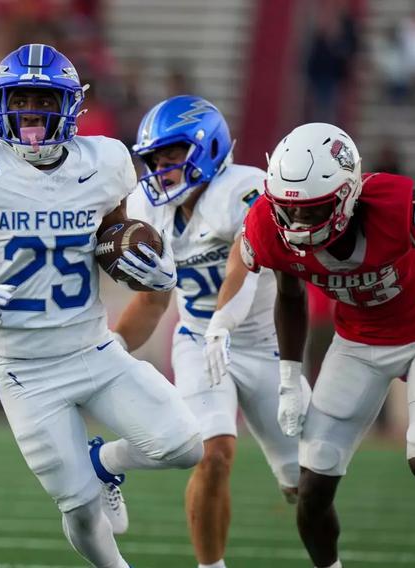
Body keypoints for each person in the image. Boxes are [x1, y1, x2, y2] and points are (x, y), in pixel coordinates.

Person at [0, 44, 204, 568]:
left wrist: (159, 270)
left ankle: (104, 460)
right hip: (24, 368)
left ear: (71, 105)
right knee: (78, 507)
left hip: (94, 347)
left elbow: (115, 244)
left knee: (186, 446)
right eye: (20, 98)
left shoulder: (104, 162)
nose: (31, 111)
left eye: (44, 98)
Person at [222, 122, 415, 568]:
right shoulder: (270, 225)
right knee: (312, 489)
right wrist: (289, 378)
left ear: (347, 195)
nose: (299, 222)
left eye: (313, 209)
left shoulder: (400, 207)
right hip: (358, 342)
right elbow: (289, 296)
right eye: (290, 209)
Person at [97, 95, 303, 568]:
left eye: (172, 156)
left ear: (207, 149)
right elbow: (152, 300)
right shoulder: (146, 208)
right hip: (197, 340)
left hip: (266, 342)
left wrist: (224, 323)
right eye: (154, 159)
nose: (161, 169)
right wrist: (109, 352)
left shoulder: (246, 189)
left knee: (305, 485)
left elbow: (242, 266)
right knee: (213, 454)